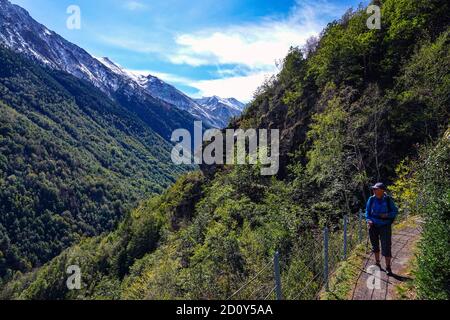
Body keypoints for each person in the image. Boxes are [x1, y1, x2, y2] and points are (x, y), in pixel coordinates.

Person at [365, 182, 398, 275]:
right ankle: (377, 263)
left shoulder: (388, 200)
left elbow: (395, 211)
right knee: (375, 245)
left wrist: (387, 215)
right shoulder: (371, 199)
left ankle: (388, 267)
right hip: (373, 225)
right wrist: (368, 220)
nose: (374, 190)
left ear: (382, 190)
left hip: (385, 225)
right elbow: (367, 211)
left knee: (386, 246)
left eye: (376, 189)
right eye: (374, 189)